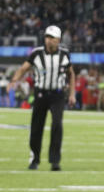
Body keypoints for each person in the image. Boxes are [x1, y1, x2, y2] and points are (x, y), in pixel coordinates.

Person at [8, 25, 75, 170]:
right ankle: (35, 159)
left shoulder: (64, 54)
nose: (48, 40)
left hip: (57, 94)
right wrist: (14, 81)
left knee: (57, 125)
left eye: (52, 38)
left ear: (58, 40)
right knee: (36, 127)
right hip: (40, 94)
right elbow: (23, 68)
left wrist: (72, 93)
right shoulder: (37, 53)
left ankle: (55, 161)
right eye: (47, 37)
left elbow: (71, 73)